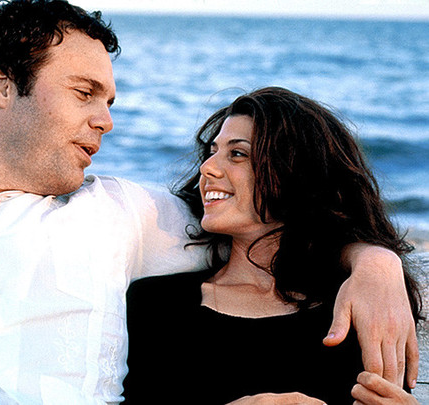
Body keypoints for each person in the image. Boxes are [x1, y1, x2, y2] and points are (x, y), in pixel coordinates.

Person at [0, 1, 419, 404]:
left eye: (109, 101)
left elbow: (277, 215)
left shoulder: (123, 213)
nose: (106, 121)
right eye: (84, 93)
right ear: (3, 86)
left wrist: (375, 262)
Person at [122, 87, 423, 405]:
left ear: (295, 173)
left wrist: (378, 261)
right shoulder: (157, 304)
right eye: (212, 151)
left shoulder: (358, 305)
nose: (206, 167)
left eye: (237, 154)